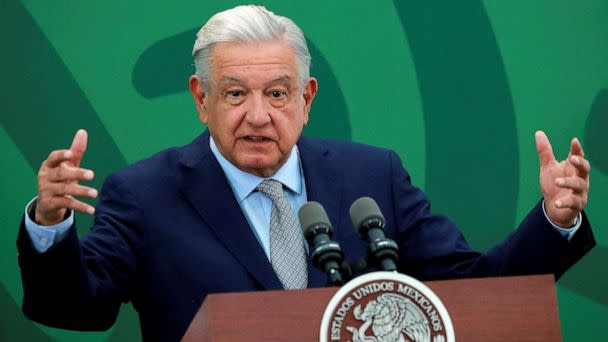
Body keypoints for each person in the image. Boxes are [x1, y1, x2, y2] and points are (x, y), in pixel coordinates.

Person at [17, 5, 595, 341]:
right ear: (201, 98)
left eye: (277, 92)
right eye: (236, 93)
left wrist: (555, 219)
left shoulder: (373, 176)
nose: (258, 115)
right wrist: (50, 223)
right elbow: (76, 308)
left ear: (308, 96)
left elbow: (473, 292)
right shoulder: (144, 193)